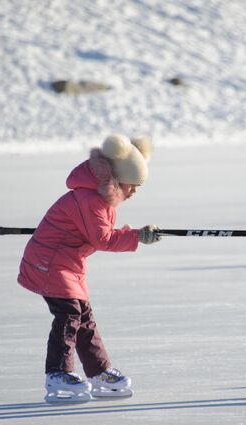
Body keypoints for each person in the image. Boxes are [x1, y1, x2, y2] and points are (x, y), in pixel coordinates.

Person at [17, 134, 162, 403]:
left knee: (84, 317)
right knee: (69, 315)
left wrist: (134, 235)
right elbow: (103, 239)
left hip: (66, 264)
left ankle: (99, 372)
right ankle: (58, 373)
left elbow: (100, 232)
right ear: (118, 179)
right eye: (133, 185)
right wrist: (137, 237)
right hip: (50, 263)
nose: (134, 192)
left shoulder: (100, 197)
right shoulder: (91, 200)